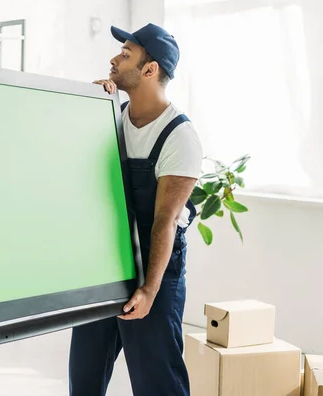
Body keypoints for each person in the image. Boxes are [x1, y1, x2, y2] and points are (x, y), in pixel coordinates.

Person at [68, 23, 203, 396]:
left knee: (157, 381)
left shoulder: (179, 136)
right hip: (106, 263)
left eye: (126, 54)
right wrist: (87, 109)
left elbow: (165, 221)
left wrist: (148, 290)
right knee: (84, 378)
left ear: (150, 69)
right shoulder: (110, 114)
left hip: (155, 266)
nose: (114, 58)